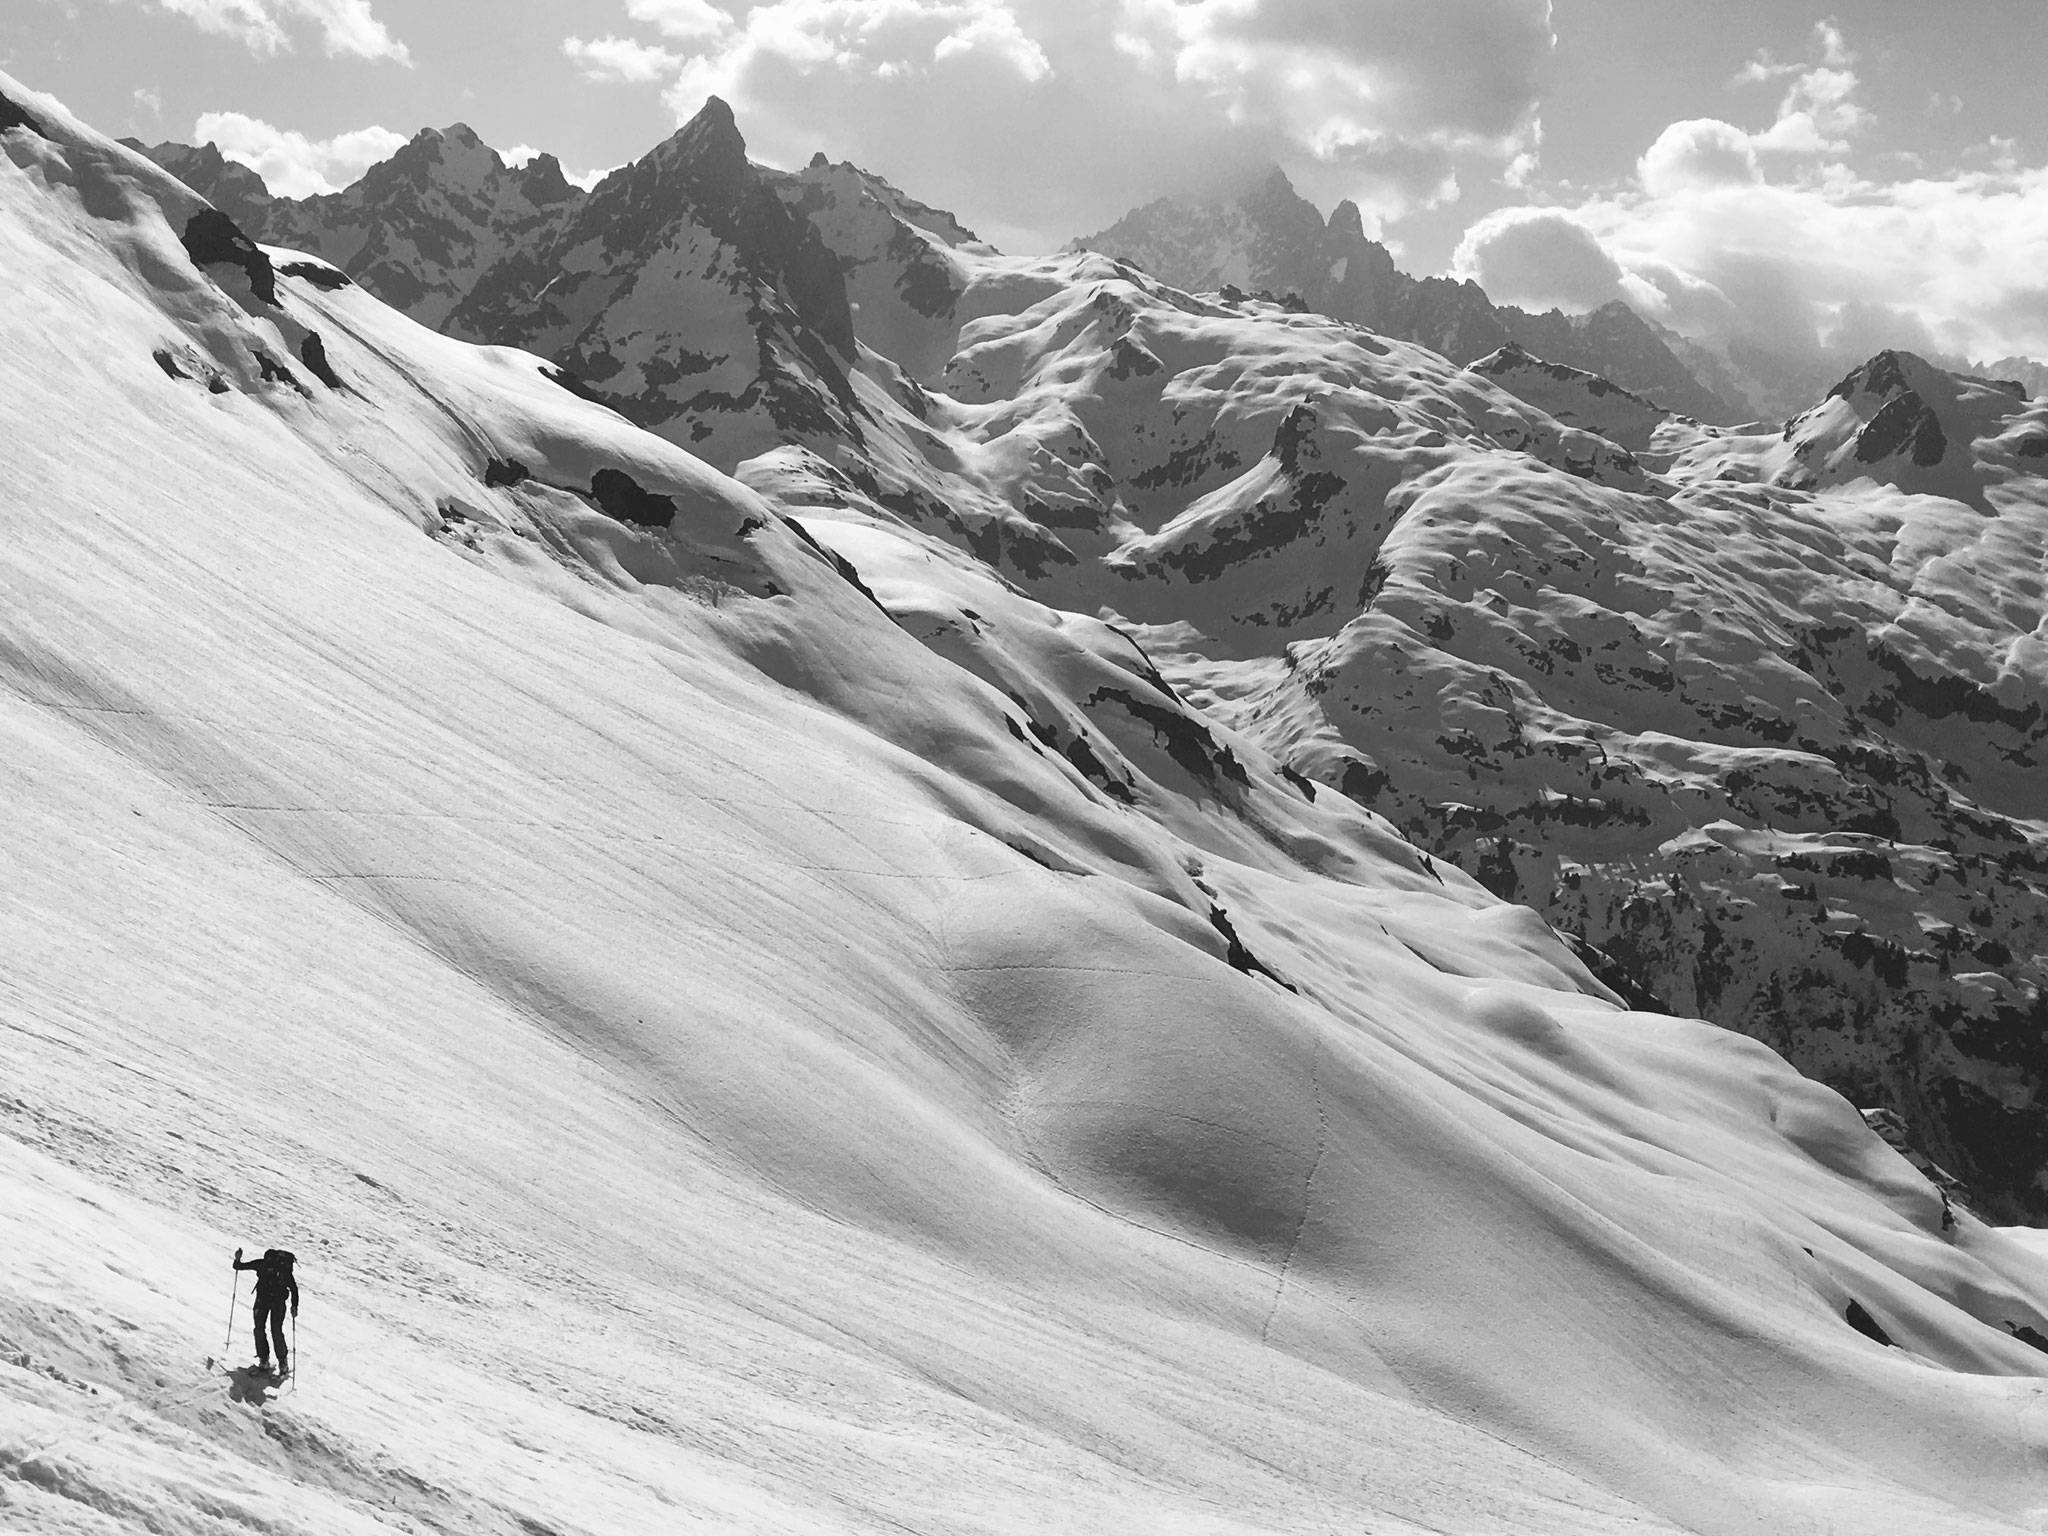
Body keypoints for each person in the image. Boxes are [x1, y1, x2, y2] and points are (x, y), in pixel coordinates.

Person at [232, 1247, 298, 1376]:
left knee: (259, 1328)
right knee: (276, 1330)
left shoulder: (261, 1264)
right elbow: (294, 1288)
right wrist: (294, 1306)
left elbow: (239, 1266)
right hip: (278, 1303)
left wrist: (237, 1258)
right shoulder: (283, 1270)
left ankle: (264, 1359)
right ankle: (282, 1361)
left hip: (262, 1300)